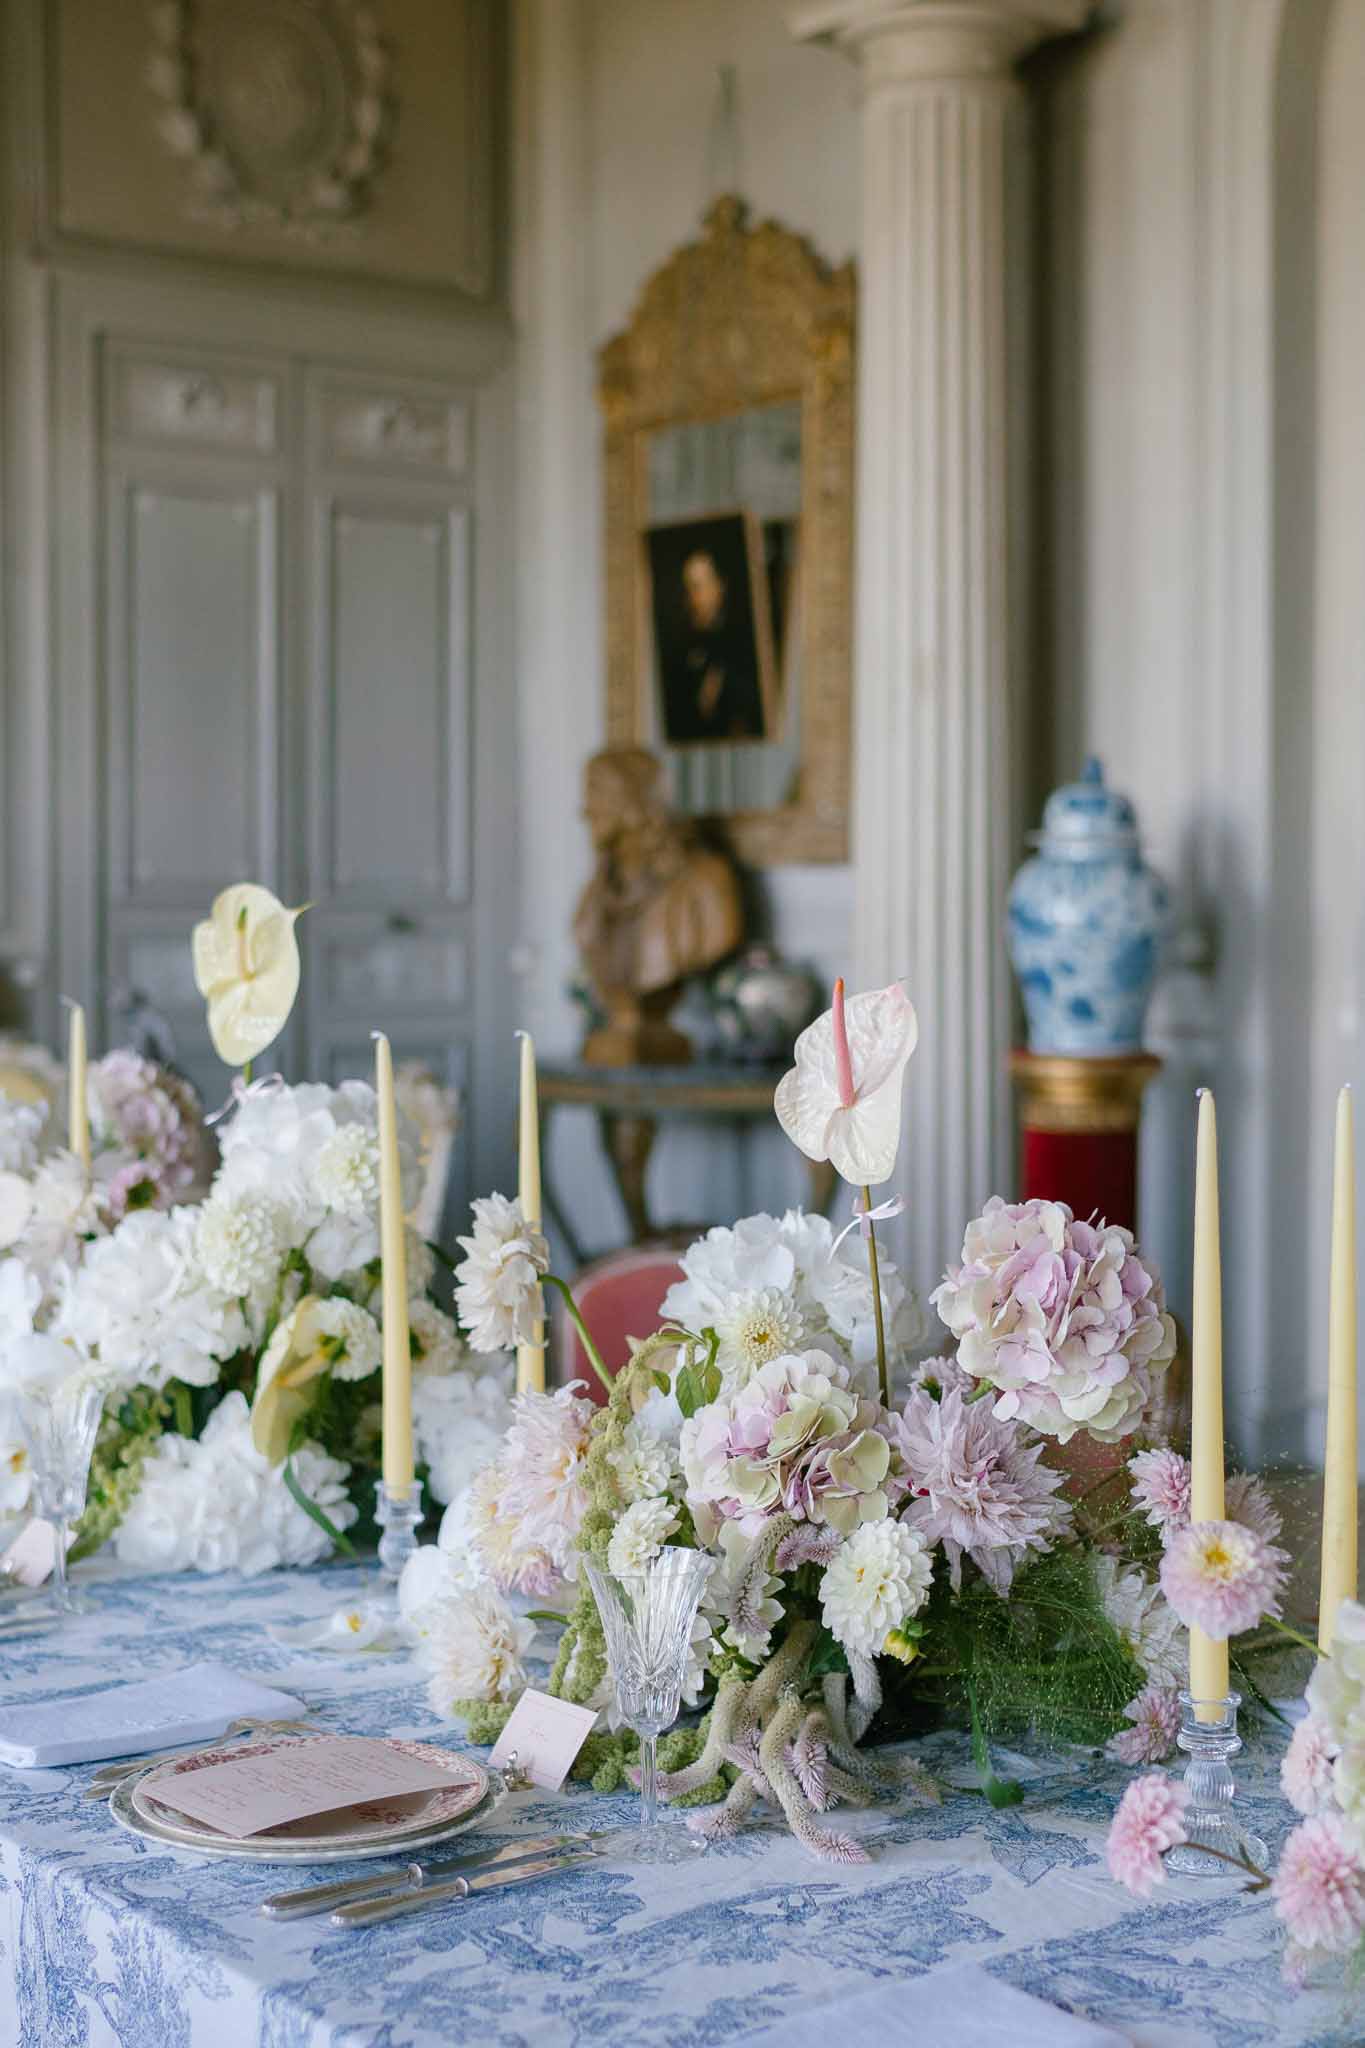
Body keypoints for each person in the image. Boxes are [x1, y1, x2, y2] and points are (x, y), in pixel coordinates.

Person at [573, 747, 744, 1064]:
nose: (584, 810)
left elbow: (718, 936)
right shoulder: (595, 899)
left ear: (631, 800)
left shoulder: (704, 881)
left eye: (596, 793)